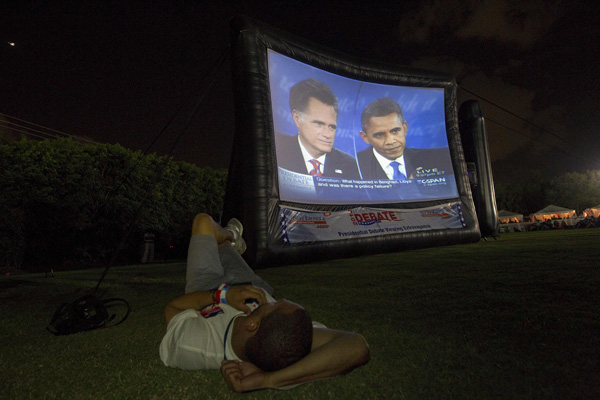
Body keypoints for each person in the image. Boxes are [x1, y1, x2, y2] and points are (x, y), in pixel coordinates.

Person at [159, 213, 370, 392]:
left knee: (203, 221)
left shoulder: (197, 345)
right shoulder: (288, 335)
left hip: (206, 290)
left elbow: (173, 307)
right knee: (221, 243)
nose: (279, 299)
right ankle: (229, 239)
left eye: (275, 305)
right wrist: (270, 379)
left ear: (252, 324)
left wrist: (221, 295)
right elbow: (357, 347)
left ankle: (230, 237)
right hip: (250, 286)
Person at [275, 78, 361, 179]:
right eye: (319, 124)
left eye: (332, 127)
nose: (328, 135)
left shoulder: (351, 166)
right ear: (297, 118)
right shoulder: (278, 148)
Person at [357, 97, 453, 181]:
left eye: (395, 131)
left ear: (404, 128)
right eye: (379, 135)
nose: (390, 141)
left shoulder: (438, 159)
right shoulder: (354, 166)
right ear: (365, 138)